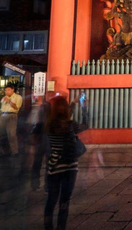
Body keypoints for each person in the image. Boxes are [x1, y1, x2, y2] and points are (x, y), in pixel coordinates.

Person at [44, 96, 83, 230]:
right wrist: (82, 106)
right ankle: (61, 227)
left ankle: (48, 226)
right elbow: (85, 124)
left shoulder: (48, 125)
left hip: (54, 166)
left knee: (51, 199)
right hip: (70, 166)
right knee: (64, 201)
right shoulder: (71, 125)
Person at [0, 83, 23, 156]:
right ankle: (4, 151)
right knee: (2, 134)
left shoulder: (18, 97)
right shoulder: (4, 97)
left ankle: (14, 151)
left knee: (11, 134)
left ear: (13, 90)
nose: (6, 91)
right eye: (5, 90)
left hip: (11, 115)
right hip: (2, 115)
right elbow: (1, 105)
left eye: (8, 90)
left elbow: (16, 107)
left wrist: (9, 101)